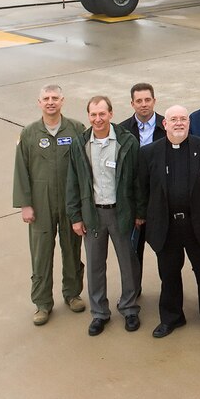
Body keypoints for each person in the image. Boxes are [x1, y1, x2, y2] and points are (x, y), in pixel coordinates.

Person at [137, 106, 200, 338]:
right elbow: (142, 191)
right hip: (166, 227)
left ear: (189, 123)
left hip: (199, 225)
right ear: (164, 124)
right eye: (173, 119)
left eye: (183, 119)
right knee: (169, 275)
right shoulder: (148, 153)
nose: (178, 123)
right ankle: (171, 318)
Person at [66, 96, 142, 336]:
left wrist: (139, 212)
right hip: (93, 214)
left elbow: (137, 180)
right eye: (93, 114)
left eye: (102, 114)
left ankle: (129, 308)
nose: (97, 119)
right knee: (95, 265)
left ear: (111, 114)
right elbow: (73, 182)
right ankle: (99, 313)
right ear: (88, 116)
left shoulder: (126, 141)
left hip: (121, 213)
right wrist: (76, 216)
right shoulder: (79, 144)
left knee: (128, 263)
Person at [13, 84, 86, 326]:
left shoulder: (76, 129)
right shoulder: (29, 133)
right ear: (39, 102)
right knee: (41, 253)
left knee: (72, 248)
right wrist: (25, 204)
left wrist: (84, 203)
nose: (51, 102)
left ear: (62, 100)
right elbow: (21, 169)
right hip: (40, 203)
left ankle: (72, 294)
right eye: (46, 98)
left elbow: (85, 168)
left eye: (55, 98)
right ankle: (42, 303)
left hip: (70, 201)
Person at [120, 82, 164, 290]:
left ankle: (169, 292)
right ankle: (132, 291)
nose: (144, 104)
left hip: (161, 200)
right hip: (133, 201)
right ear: (132, 104)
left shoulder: (167, 126)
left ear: (154, 101)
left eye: (147, 100)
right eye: (139, 101)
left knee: (165, 252)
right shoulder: (121, 130)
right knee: (133, 251)